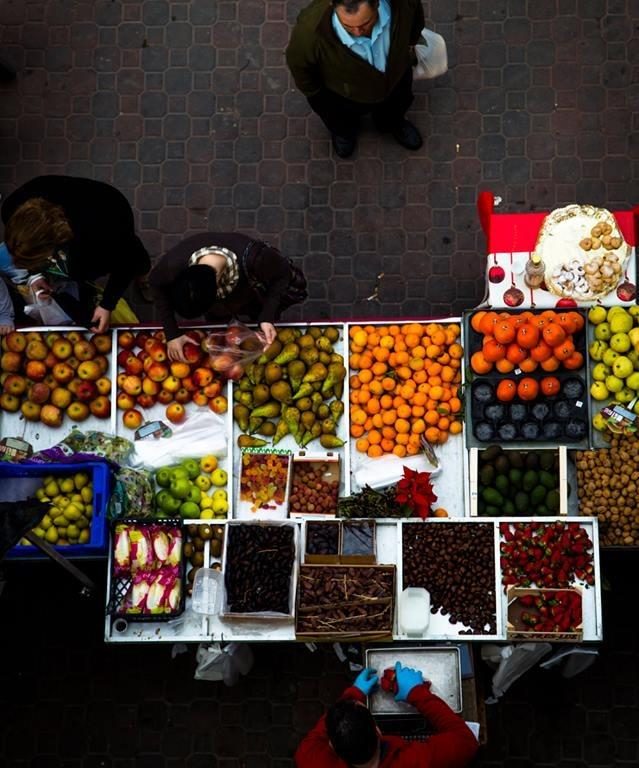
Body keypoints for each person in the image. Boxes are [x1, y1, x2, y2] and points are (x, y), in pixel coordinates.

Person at [1, 175, 151, 332]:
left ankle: (144, 273)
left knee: (134, 257)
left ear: (56, 242)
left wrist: (107, 304)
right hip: (71, 222)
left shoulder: (106, 231)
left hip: (108, 215)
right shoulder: (11, 208)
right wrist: (35, 275)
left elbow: (125, 261)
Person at [286, 0, 425, 159]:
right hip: (344, 95)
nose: (357, 32)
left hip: (395, 78)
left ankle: (393, 123)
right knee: (341, 120)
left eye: (366, 23)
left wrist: (411, 42)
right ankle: (344, 133)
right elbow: (301, 69)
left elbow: (416, 18)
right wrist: (319, 97)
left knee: (396, 106)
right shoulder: (309, 33)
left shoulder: (403, 3)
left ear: (377, 3)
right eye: (347, 26)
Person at [148, 233, 306, 362]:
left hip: (253, 296)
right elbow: (155, 283)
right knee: (220, 328)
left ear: (217, 290)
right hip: (224, 305)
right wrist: (171, 333)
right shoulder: (173, 266)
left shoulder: (257, 258)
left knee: (257, 316)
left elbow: (283, 273)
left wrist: (267, 315)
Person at [295, 662, 479, 768]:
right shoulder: (413, 761)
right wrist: (417, 693)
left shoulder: (310, 759)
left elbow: (317, 737)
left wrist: (354, 694)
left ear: (332, 746)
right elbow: (465, 742)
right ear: (378, 731)